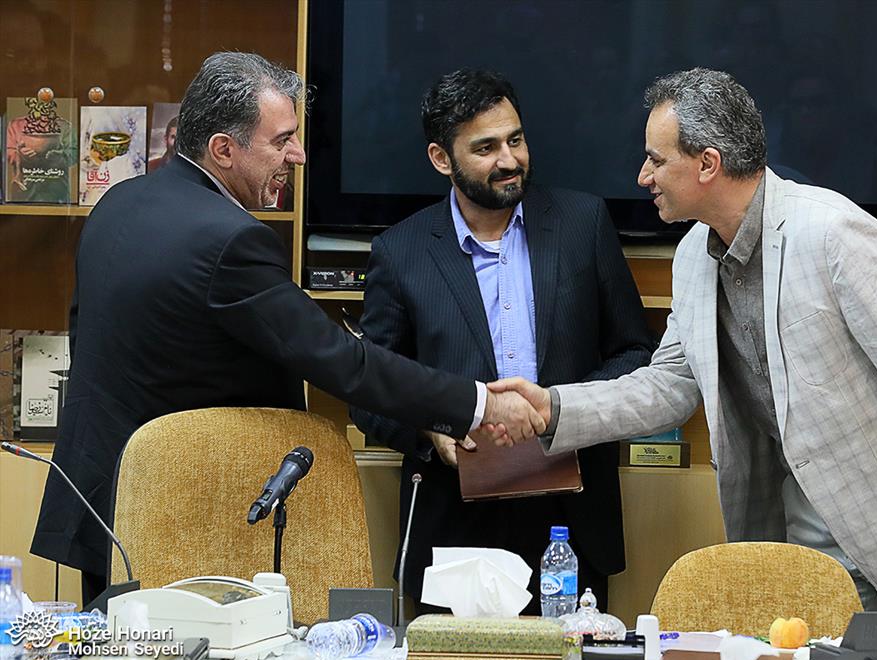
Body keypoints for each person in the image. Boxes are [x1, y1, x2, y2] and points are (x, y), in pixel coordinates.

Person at [492, 68, 877, 650]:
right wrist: (551, 407)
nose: (642, 177)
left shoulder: (833, 233)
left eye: (656, 160)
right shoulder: (691, 256)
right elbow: (669, 384)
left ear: (707, 164)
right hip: (804, 555)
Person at [30, 53, 543, 605]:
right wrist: (479, 404)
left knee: (121, 647)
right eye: (282, 141)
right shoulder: (229, 240)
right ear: (223, 149)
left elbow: (87, 339)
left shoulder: (119, 202)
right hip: (184, 516)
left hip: (102, 505)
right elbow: (343, 362)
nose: (298, 155)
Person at [349, 69, 653, 614]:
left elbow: (635, 353)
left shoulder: (583, 223)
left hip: (570, 525)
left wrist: (561, 409)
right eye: (486, 148)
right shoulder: (401, 251)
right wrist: (431, 432)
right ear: (441, 158)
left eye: (515, 140)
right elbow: (370, 391)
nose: (510, 160)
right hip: (455, 531)